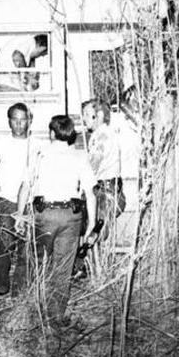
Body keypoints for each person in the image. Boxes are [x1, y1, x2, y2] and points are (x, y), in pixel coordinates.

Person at [17, 114, 96, 326]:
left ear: (52, 133)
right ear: (70, 134)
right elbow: (90, 193)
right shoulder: (80, 156)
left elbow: (25, 187)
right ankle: (55, 317)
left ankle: (32, 311)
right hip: (71, 216)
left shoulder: (39, 154)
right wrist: (90, 224)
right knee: (62, 267)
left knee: (37, 262)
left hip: (45, 214)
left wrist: (20, 215)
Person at [72, 98, 129, 278]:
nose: (84, 119)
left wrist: (79, 181)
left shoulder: (102, 136)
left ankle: (95, 272)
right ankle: (88, 268)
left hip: (107, 192)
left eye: (88, 115)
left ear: (100, 115)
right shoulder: (101, 134)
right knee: (88, 227)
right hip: (107, 189)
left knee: (93, 230)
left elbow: (93, 166)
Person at [0, 103, 35, 295]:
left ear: (29, 121)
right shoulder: (1, 143)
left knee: (26, 244)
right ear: (9, 121)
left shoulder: (36, 144)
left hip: (29, 202)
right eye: (15, 119)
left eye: (23, 120)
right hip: (7, 200)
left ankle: (20, 288)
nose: (19, 124)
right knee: (6, 241)